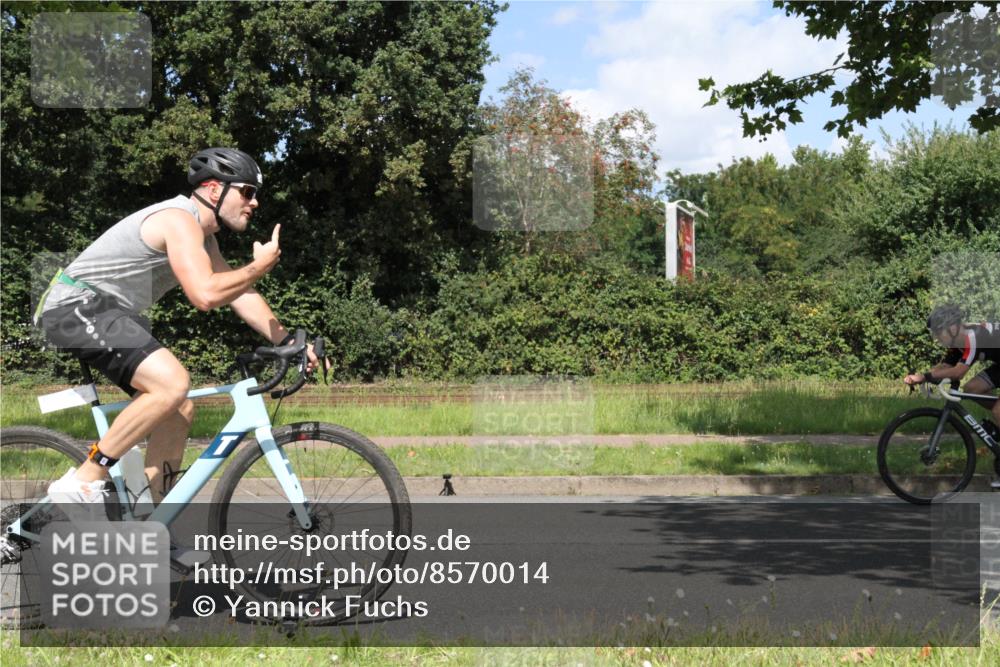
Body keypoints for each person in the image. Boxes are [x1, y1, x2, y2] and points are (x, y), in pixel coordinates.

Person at [34, 147, 318, 511]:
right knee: (171, 383)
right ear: (215, 190)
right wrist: (258, 266)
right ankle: (83, 481)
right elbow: (204, 294)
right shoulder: (178, 220)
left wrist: (287, 339)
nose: (255, 202)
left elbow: (239, 292)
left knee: (177, 408)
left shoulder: (204, 237)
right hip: (75, 305)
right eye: (247, 192)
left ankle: (151, 520)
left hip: (109, 311)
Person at [904, 303, 1000, 433]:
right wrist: (921, 377)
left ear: (953, 328)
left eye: (938, 332)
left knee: (998, 410)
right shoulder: (957, 342)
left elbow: (959, 372)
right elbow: (944, 366)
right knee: (972, 389)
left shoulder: (972, 336)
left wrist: (925, 377)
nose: (937, 338)